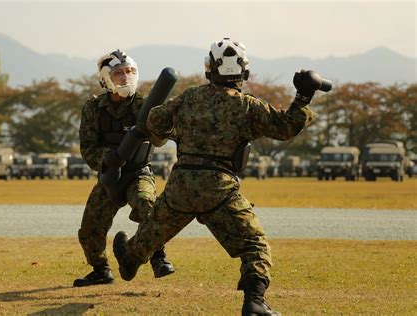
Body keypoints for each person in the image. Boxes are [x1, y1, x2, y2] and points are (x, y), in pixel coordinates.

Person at [112, 38, 319, 315]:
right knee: (254, 246)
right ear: (243, 72)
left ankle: (128, 260)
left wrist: (173, 134)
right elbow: (285, 128)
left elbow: (155, 121)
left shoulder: (190, 96)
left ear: (210, 70)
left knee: (148, 236)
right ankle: (254, 302)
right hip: (219, 190)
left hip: (181, 187)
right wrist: (303, 97)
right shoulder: (247, 106)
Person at [73, 50, 175, 287]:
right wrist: (111, 158)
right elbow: (88, 149)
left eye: (129, 72)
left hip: (140, 172)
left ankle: (158, 257)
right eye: (119, 73)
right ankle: (101, 271)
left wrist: (158, 125)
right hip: (109, 176)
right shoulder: (93, 108)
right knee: (90, 229)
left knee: (147, 206)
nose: (125, 77)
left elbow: (161, 140)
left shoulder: (146, 104)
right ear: (105, 78)